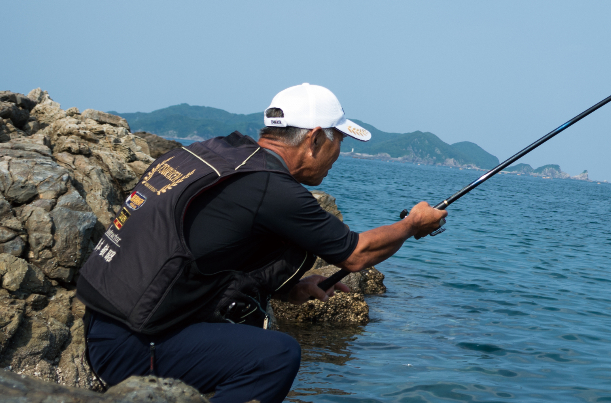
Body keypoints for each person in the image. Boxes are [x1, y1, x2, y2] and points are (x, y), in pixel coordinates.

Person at [76, 83, 446, 403]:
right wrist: (413, 224)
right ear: (315, 138)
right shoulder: (270, 187)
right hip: (134, 346)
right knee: (277, 354)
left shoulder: (213, 154)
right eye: (339, 143)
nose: (338, 156)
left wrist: (289, 289)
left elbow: (207, 254)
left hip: (102, 324)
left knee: (251, 322)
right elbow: (357, 253)